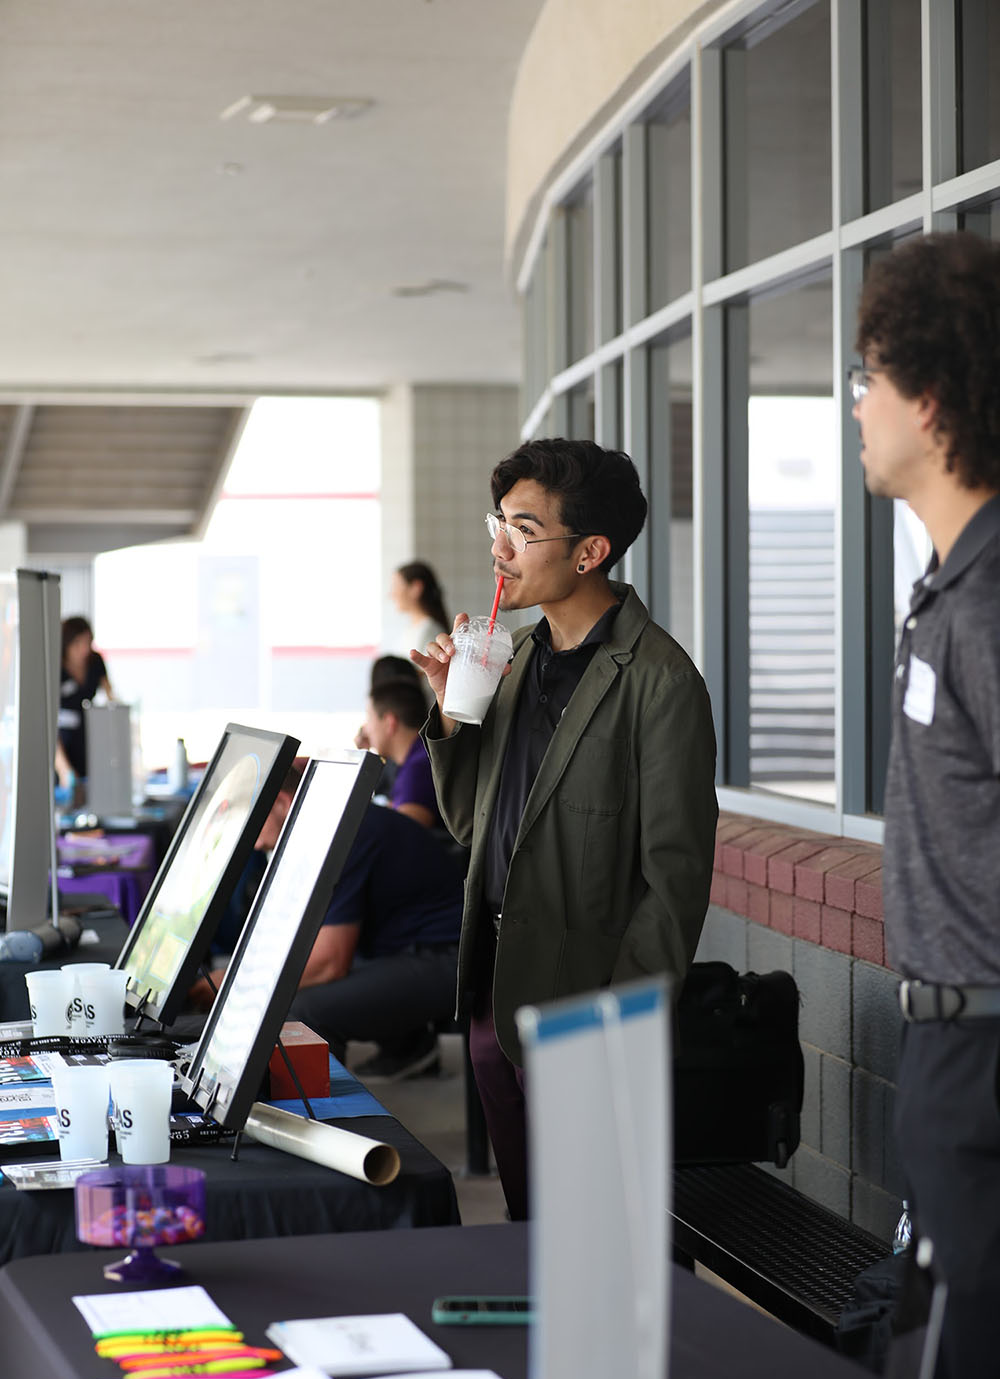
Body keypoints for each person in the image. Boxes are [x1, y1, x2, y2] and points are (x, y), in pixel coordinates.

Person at [413, 437, 718, 1219]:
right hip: (494, 985)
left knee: (589, 1227)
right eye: (498, 525)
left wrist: (616, 1023)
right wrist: (454, 706)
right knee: (527, 1218)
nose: (498, 550)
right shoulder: (510, 658)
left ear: (590, 552)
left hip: (586, 999)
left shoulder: (659, 681)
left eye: (523, 530)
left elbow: (674, 881)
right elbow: (468, 823)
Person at [850, 232, 1000, 1379]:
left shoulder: (993, 604)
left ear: (931, 401)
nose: (857, 407)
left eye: (869, 378)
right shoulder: (951, 582)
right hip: (950, 1061)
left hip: (988, 1056)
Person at [250, 764, 463, 1082]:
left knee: (301, 1011)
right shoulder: (326, 823)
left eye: (254, 824)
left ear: (282, 802)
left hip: (453, 959)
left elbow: (330, 963)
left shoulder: (338, 834)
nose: (254, 843)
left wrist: (245, 983)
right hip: (409, 944)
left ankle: (324, 1123)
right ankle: (409, 1045)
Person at [362, 678, 440, 827]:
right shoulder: (418, 758)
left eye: (369, 719)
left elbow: (404, 838)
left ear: (390, 722)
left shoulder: (418, 768)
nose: (366, 730)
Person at [55, 616, 113, 784]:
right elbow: (49, 723)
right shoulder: (56, 668)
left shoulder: (95, 662)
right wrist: (62, 767)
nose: (84, 649)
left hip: (88, 735)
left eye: (88, 642)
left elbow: (111, 698)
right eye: (78, 643)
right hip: (62, 741)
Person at [387, 561, 450, 656]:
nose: (391, 594)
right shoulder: (413, 629)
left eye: (396, 586)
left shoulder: (428, 631)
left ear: (416, 588)